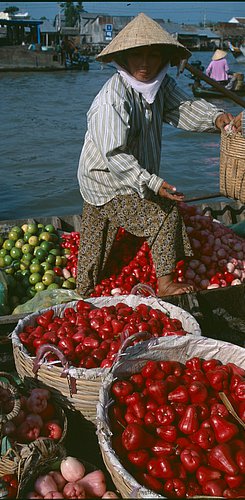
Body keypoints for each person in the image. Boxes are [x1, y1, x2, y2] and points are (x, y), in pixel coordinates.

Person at [76, 13, 242, 298]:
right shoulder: (113, 97)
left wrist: (216, 119)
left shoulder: (159, 86)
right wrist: (152, 183)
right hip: (105, 179)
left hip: (128, 176)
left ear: (164, 58)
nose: (145, 64)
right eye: (138, 56)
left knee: (96, 239)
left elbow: (184, 108)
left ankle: (85, 288)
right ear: (124, 57)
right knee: (163, 215)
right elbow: (113, 154)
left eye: (153, 56)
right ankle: (165, 283)